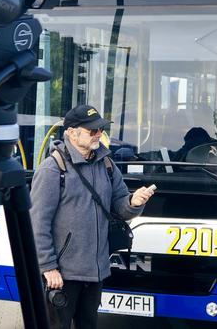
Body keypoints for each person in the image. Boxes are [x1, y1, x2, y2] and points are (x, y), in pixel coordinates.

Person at [30, 104, 154, 329]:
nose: (98, 134)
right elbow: (37, 223)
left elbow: (119, 206)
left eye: (100, 129)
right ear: (71, 132)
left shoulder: (106, 164)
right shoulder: (52, 169)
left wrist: (134, 202)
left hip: (95, 272)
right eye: (92, 130)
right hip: (63, 275)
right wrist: (48, 267)